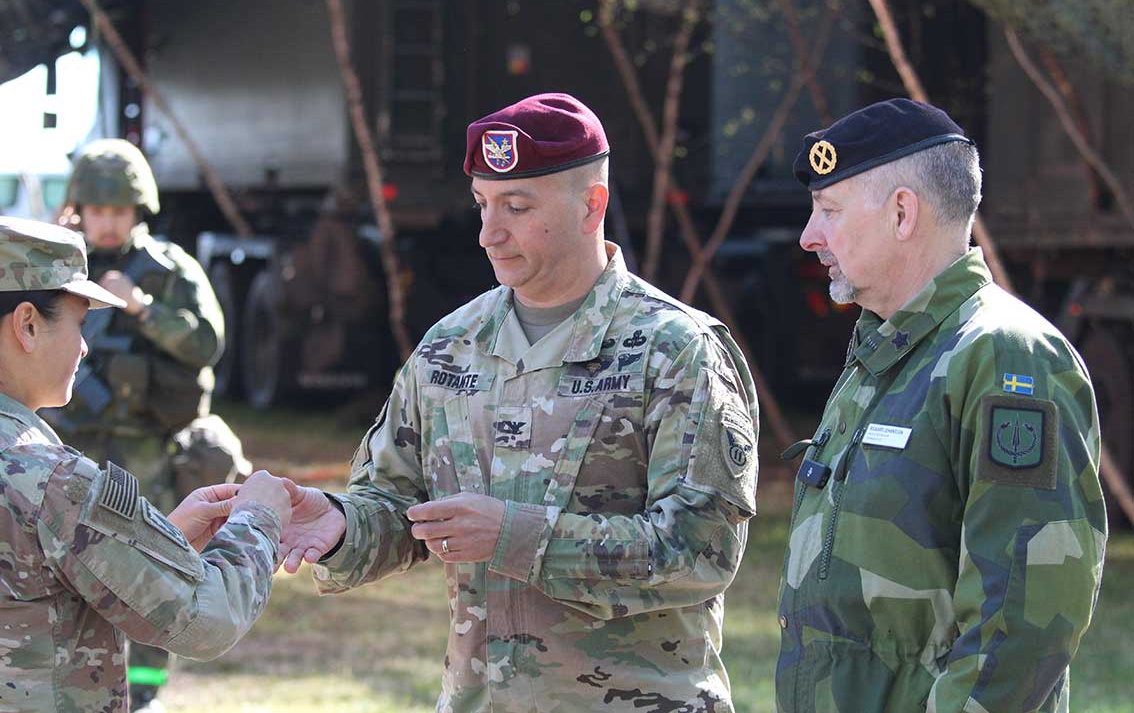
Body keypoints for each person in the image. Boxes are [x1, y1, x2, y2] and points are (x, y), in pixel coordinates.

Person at [276, 93, 760, 710]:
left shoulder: (673, 350)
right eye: (482, 204)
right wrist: (341, 526)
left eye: (517, 206)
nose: (488, 233)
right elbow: (401, 508)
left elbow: (700, 551)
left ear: (591, 206)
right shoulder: (450, 347)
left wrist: (515, 536)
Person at [775, 98, 1107, 712]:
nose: (808, 236)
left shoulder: (1004, 356)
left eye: (829, 210)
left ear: (902, 213)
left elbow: (1022, 624)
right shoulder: (887, 350)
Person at [0, 216, 293, 712]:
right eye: (79, 323)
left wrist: (157, 542)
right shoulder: (52, 483)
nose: (85, 346)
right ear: (28, 324)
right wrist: (259, 520)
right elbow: (205, 618)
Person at [45, 138, 245, 709]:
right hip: (68, 447)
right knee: (64, 573)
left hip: (145, 452)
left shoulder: (169, 269)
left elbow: (207, 344)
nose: (108, 222)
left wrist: (142, 308)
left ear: (139, 210)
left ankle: (145, 696)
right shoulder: (55, 262)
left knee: (151, 575)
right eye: (97, 209)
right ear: (79, 208)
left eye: (119, 210)